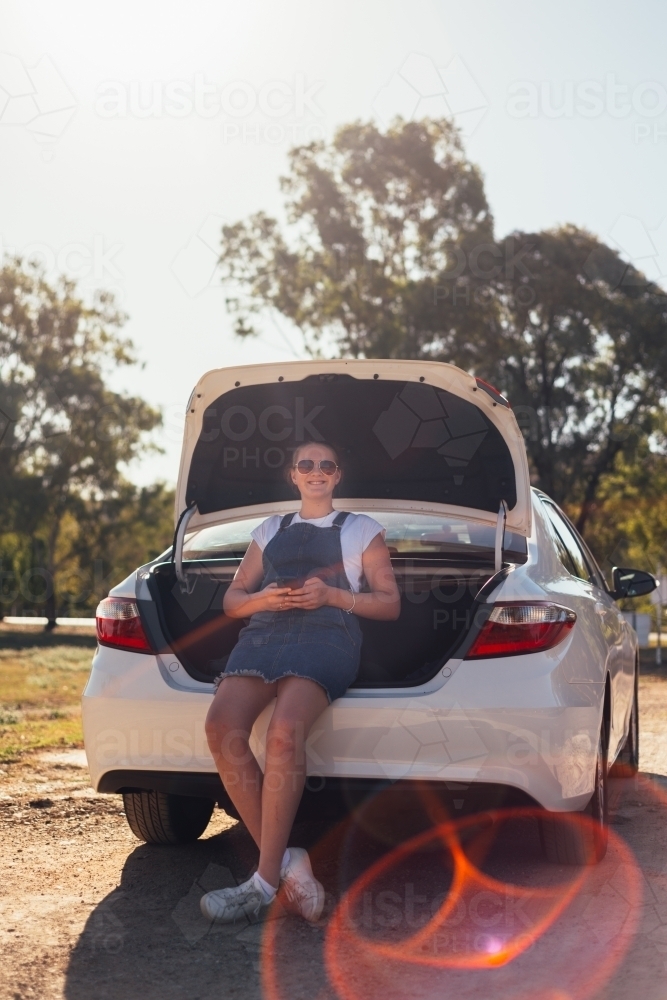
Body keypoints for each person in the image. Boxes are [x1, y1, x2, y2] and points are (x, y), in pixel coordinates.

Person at [201, 441, 400, 924]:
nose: (316, 472)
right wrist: (262, 600)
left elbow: (390, 604)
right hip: (264, 633)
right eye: (306, 465)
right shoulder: (269, 530)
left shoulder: (361, 530)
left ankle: (264, 882)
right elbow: (232, 599)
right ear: (293, 475)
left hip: (327, 636)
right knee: (221, 727)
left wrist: (332, 595)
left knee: (284, 733)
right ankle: (290, 860)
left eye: (326, 465)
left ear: (338, 476)